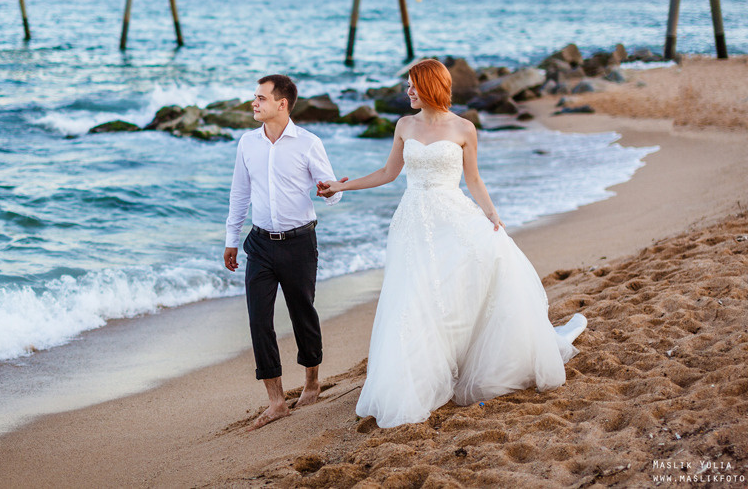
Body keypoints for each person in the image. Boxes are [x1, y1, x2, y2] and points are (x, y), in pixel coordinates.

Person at [317, 59, 586, 429]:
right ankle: (417, 379)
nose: (408, 92)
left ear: (429, 87)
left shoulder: (464, 128)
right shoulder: (404, 125)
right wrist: (341, 186)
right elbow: (388, 173)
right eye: (408, 86)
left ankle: (461, 364)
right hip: (411, 224)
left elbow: (473, 179)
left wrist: (491, 214)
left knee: (454, 295)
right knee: (414, 300)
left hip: (452, 219)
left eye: (413, 86)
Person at [224, 74, 343, 431]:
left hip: (299, 243)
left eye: (261, 98)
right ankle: (276, 401)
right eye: (254, 97)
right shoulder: (247, 143)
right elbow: (239, 194)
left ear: (282, 104)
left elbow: (334, 190)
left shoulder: (308, 143)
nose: (254, 103)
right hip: (259, 244)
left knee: (302, 313)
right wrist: (232, 239)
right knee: (259, 320)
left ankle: (311, 382)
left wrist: (329, 193)